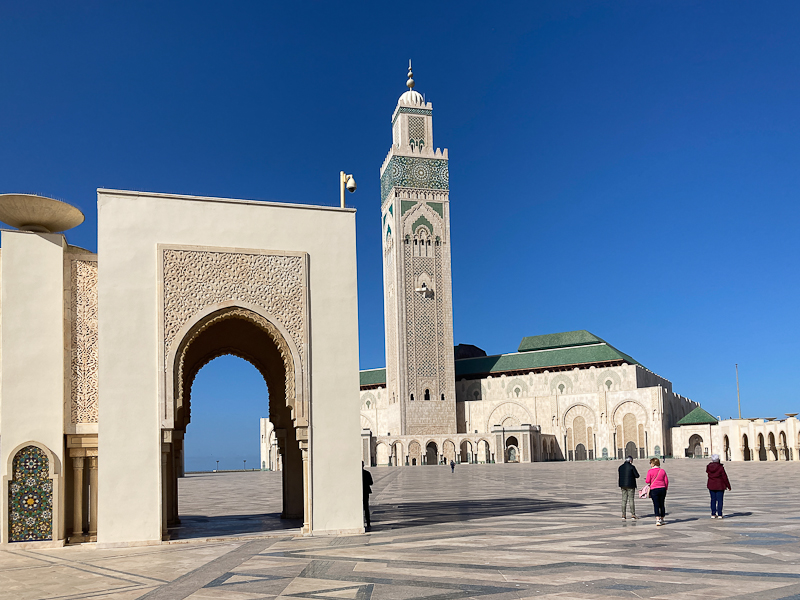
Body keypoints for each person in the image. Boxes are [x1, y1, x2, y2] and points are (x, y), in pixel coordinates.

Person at [645, 457, 669, 526]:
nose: (650, 464)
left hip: (654, 489)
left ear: (653, 464)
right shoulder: (662, 471)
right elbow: (666, 481)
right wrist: (665, 488)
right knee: (662, 504)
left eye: (650, 463)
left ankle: (658, 520)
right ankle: (662, 519)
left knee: (656, 505)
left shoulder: (650, 471)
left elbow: (647, 481)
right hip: (662, 489)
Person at [706, 454, 731, 519]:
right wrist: (728, 486)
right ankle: (720, 514)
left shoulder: (709, 467)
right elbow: (724, 477)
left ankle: (713, 514)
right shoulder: (720, 467)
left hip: (711, 485)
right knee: (720, 500)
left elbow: (708, 472)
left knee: (713, 500)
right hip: (720, 486)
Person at [362, 461, 373, 531]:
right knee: (366, 508)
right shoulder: (367, 473)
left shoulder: (356, 474)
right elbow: (371, 482)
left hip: (359, 492)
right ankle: (368, 522)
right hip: (365, 492)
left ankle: (360, 522)